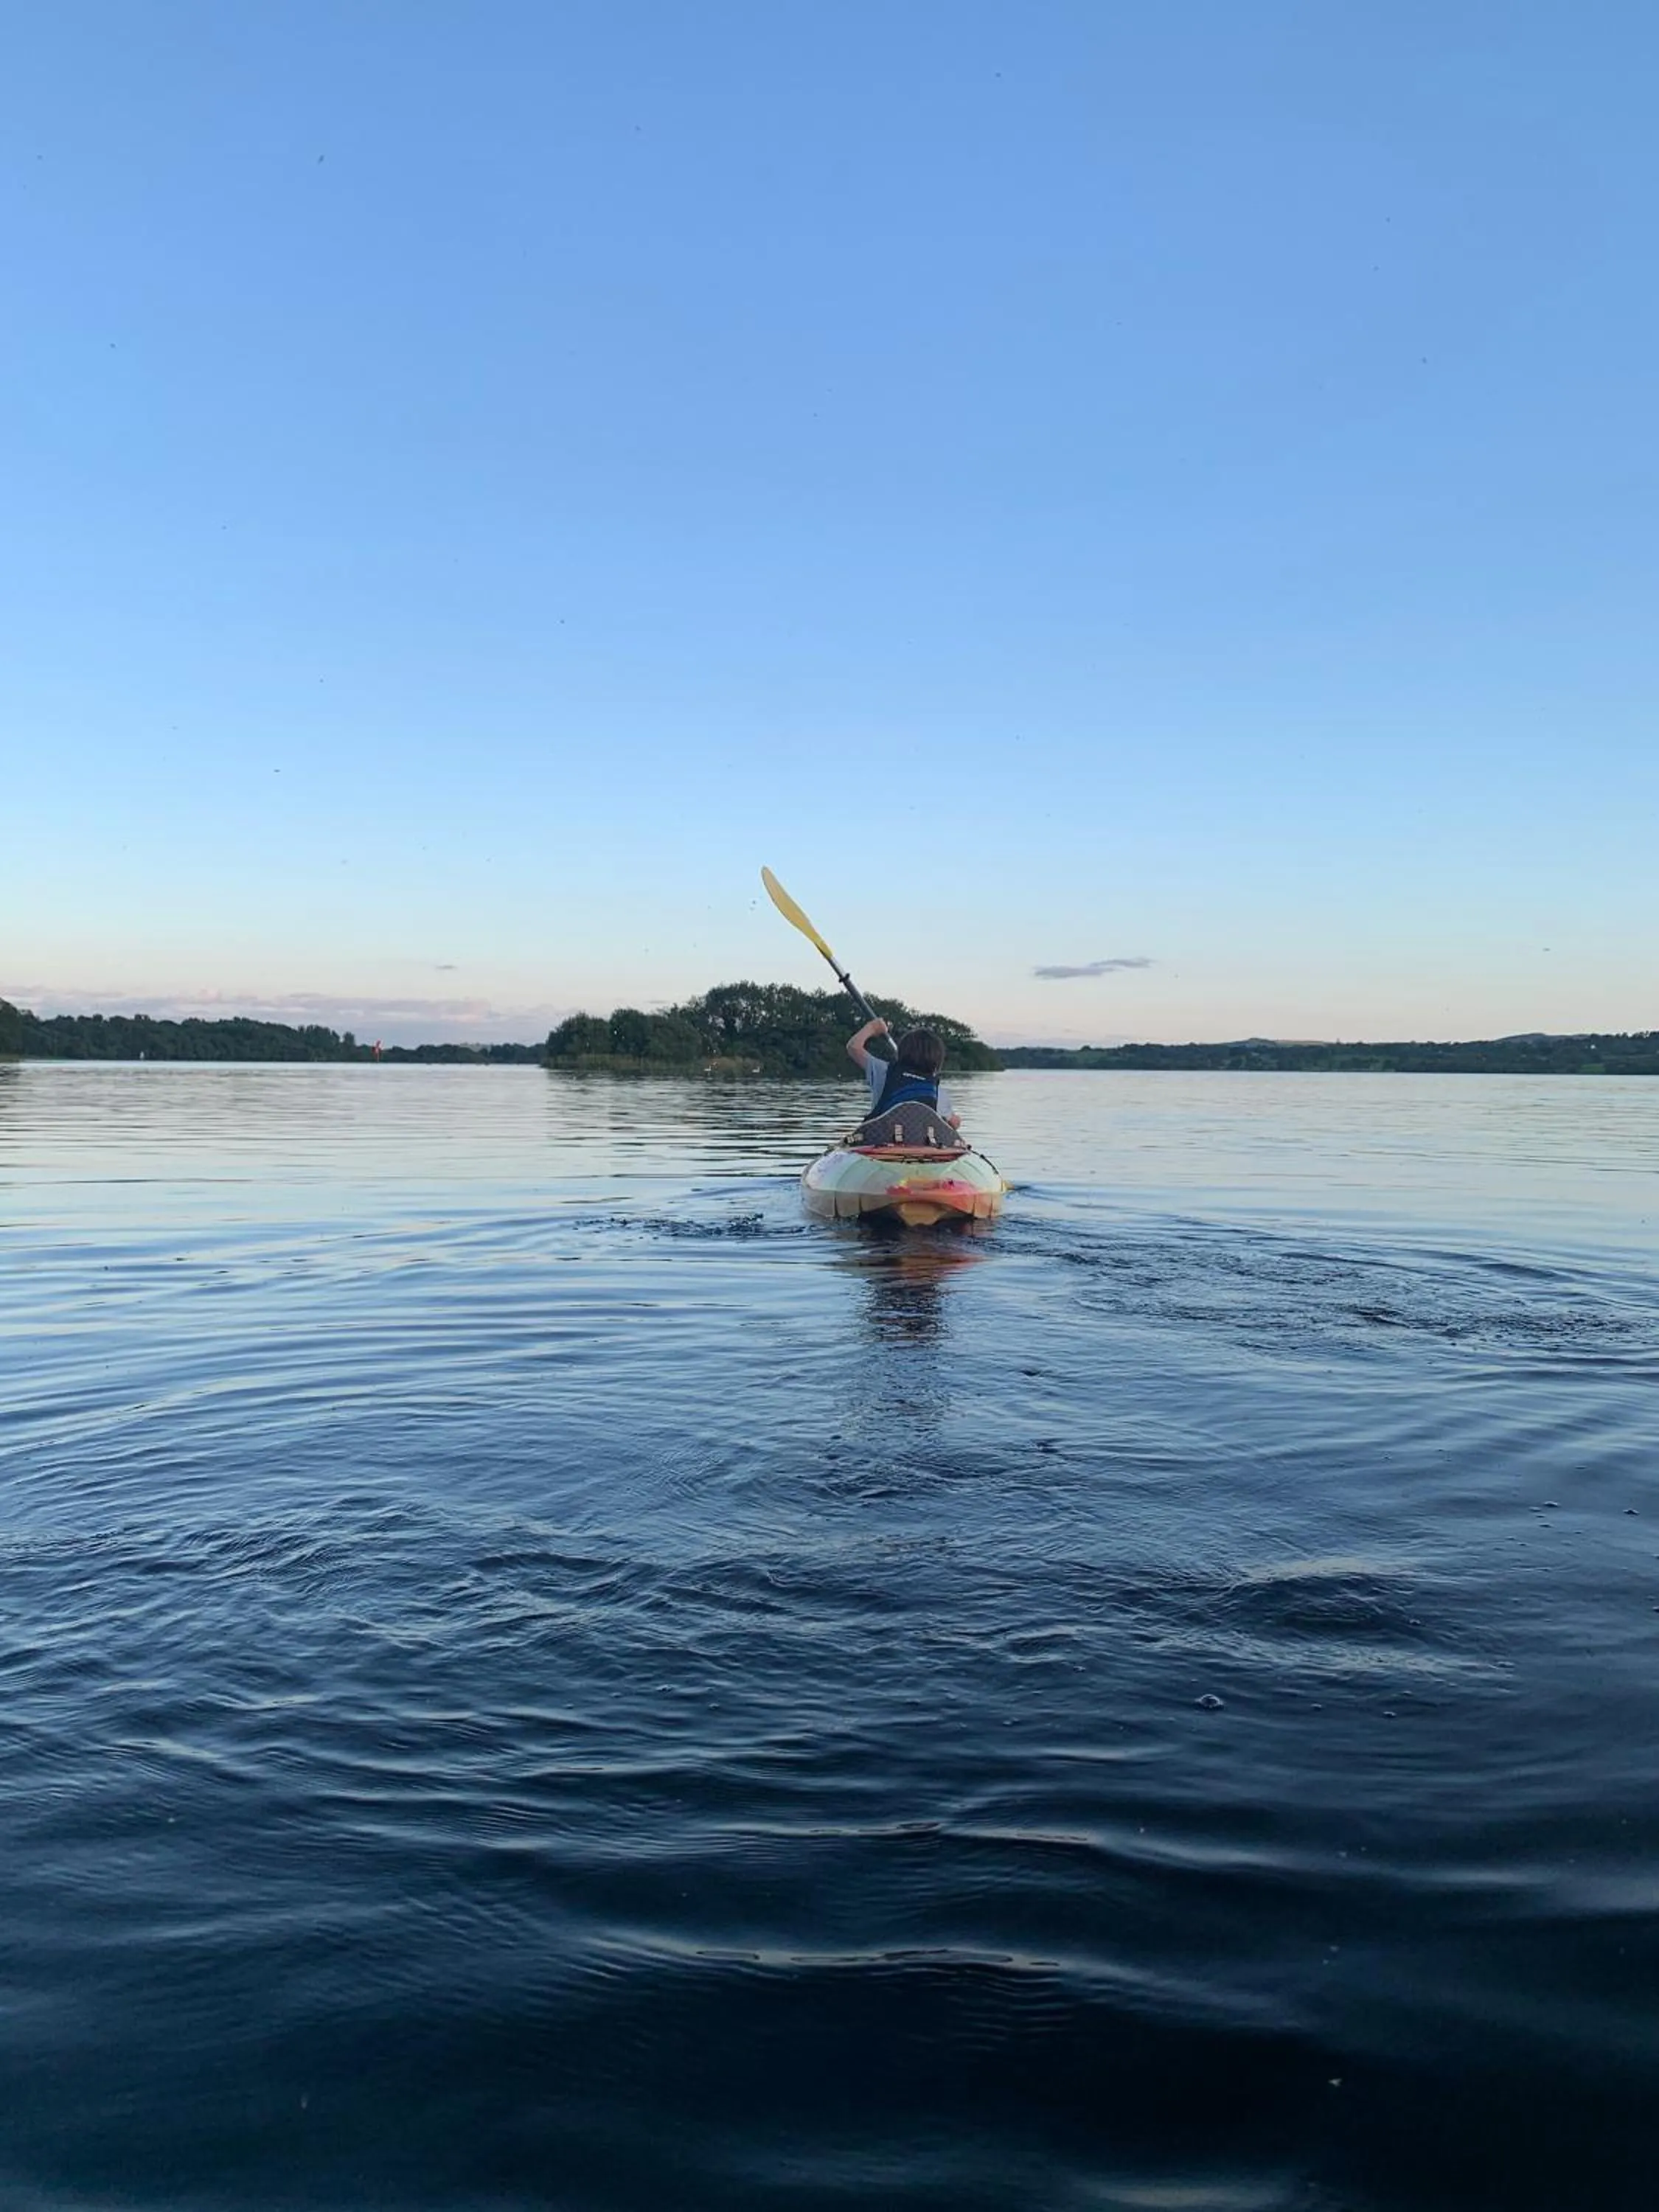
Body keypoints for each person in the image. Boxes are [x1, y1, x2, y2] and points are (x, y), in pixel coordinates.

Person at [846, 1018, 962, 1130]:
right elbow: (954, 1124)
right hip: (921, 1146)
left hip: (881, 1142)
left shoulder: (883, 1071)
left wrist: (872, 1027)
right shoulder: (938, 1092)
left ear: (901, 1053)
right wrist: (955, 1120)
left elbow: (853, 1047)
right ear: (938, 1061)